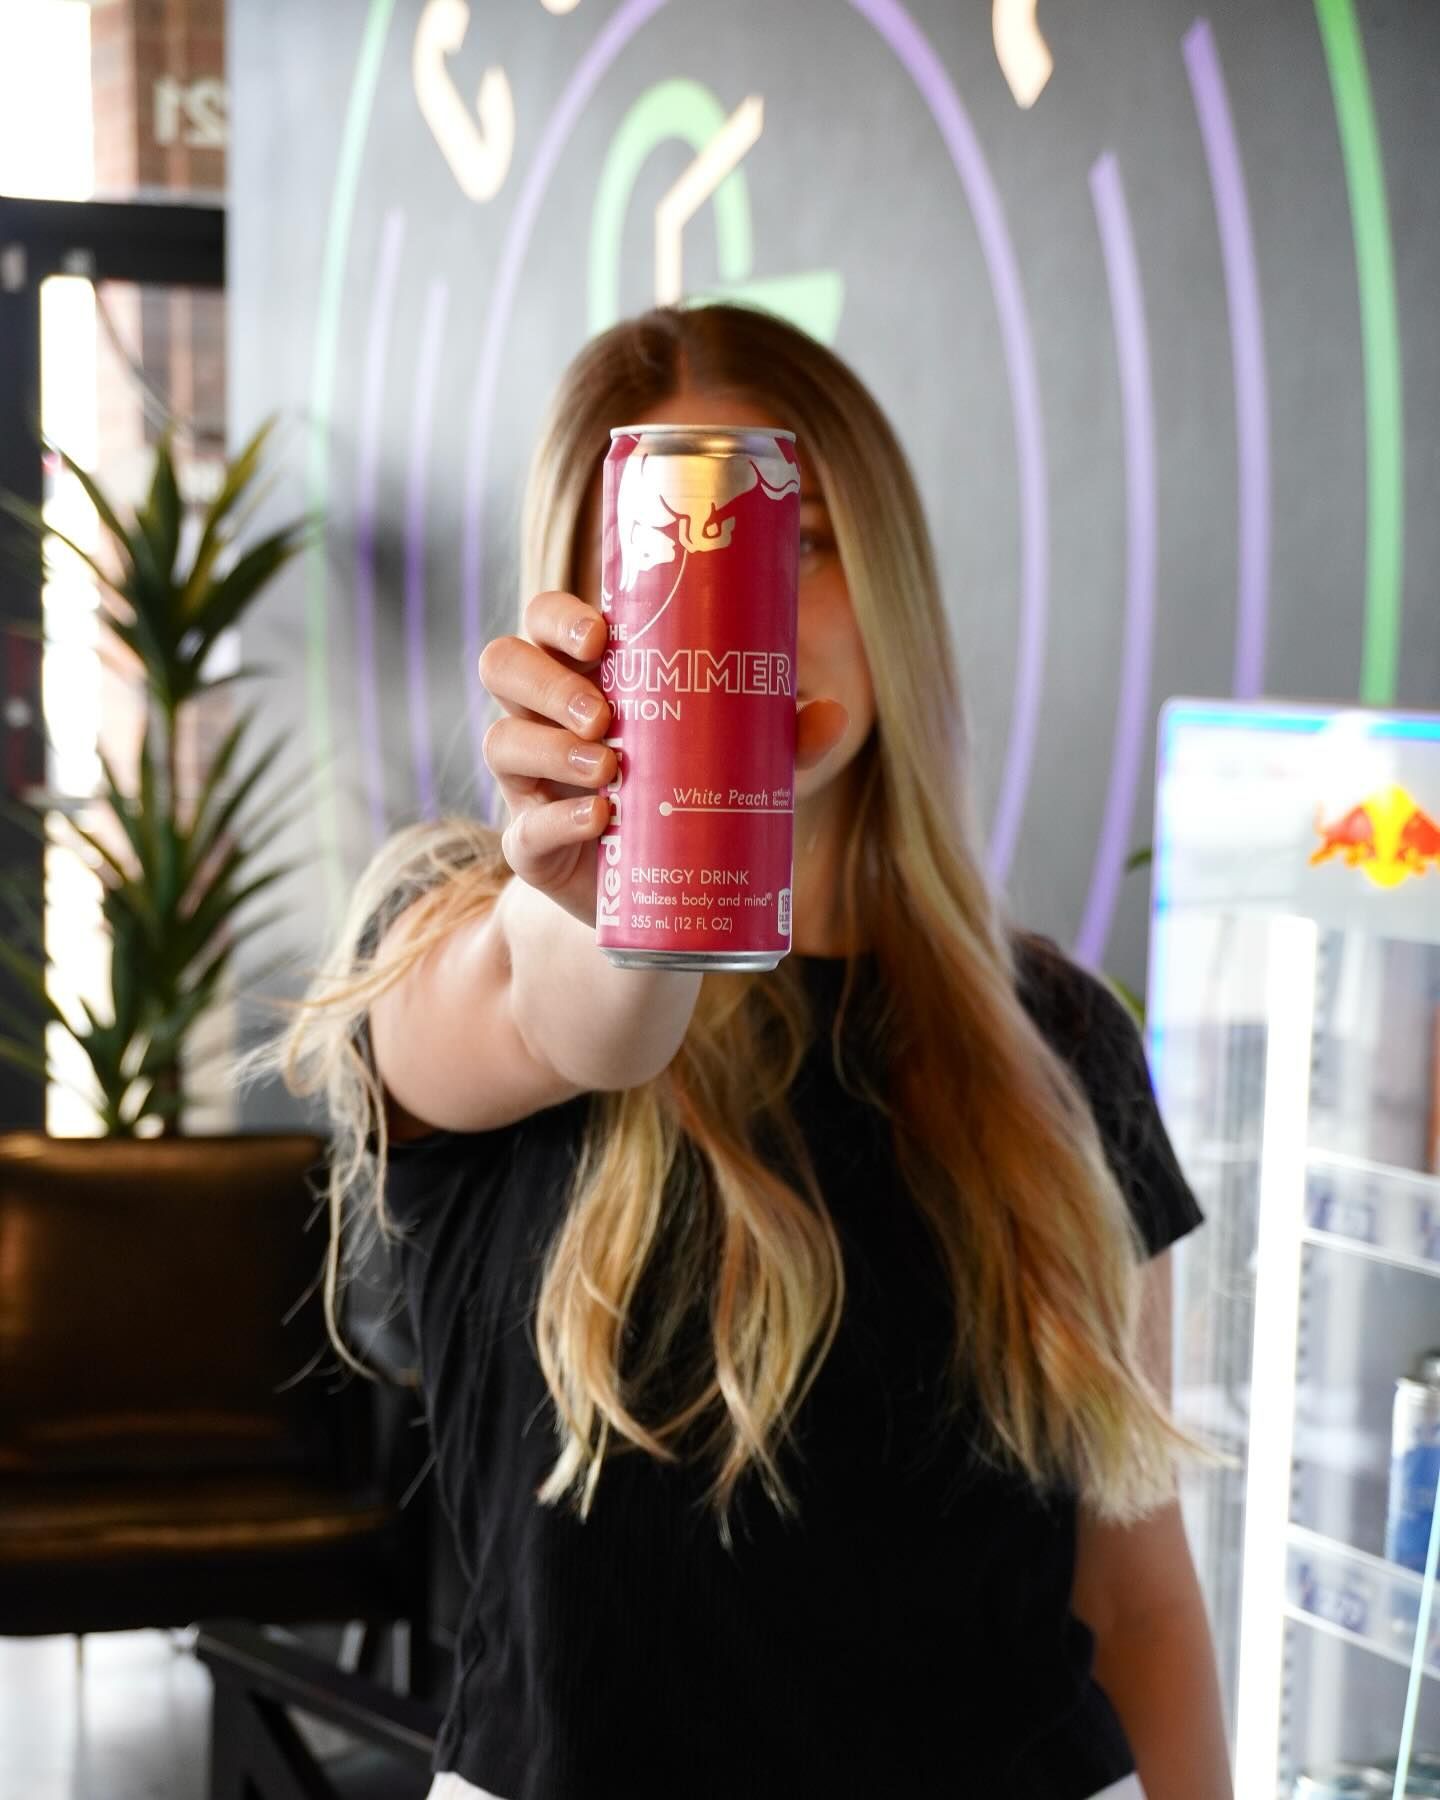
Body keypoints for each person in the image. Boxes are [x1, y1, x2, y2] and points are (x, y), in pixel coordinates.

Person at [274, 305, 1232, 1800]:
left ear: (891, 581)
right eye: (670, 556)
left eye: (807, 543)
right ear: (579, 621)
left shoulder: (1061, 1040)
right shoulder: (460, 942)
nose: (751, 614)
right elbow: (581, 1013)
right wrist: (611, 880)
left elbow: (1140, 1597)